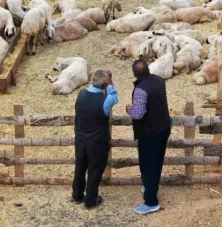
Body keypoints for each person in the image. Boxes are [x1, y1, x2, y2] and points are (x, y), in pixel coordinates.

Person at [126, 59, 171, 215]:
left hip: (149, 133)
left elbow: (138, 114)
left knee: (147, 165)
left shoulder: (141, 89)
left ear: (134, 73)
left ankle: (151, 201)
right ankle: (151, 186)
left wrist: (128, 108)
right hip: (164, 127)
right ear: (148, 69)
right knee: (157, 161)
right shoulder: (158, 80)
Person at [71, 69, 119, 209]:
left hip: (80, 139)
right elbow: (115, 96)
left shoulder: (81, 94)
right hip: (97, 141)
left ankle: (77, 195)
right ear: (104, 85)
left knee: (80, 167)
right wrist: (110, 81)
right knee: (95, 170)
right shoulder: (106, 99)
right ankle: (90, 200)